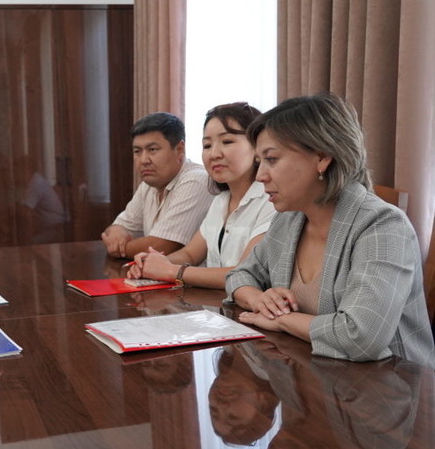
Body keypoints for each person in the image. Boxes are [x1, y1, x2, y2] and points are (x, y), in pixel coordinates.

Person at [226, 92, 435, 369]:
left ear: (322, 158)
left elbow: (361, 336)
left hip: (389, 385)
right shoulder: (288, 221)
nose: (260, 175)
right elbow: (240, 275)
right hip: (312, 373)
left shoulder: (384, 226)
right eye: (259, 162)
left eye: (272, 159)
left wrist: (281, 319)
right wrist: (260, 299)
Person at [127, 103, 275, 289]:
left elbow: (244, 274)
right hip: (214, 304)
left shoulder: (271, 200)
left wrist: (172, 271)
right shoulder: (221, 200)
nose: (214, 154)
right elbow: (190, 254)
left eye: (227, 142)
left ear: (257, 147)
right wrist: (153, 263)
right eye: (207, 145)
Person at [102, 112, 213, 259]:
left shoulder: (197, 180)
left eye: (152, 150)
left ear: (179, 150)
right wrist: (116, 232)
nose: (143, 160)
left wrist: (117, 247)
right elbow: (118, 228)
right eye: (137, 151)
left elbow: (162, 246)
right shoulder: (148, 184)